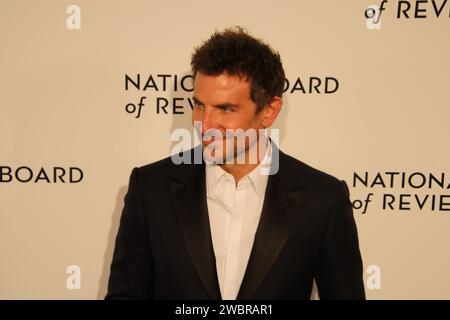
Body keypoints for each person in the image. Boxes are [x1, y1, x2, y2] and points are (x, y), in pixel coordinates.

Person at [106, 26, 365, 300]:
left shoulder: (322, 199)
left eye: (226, 109)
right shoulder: (150, 190)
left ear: (269, 112)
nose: (204, 125)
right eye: (199, 106)